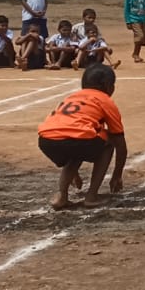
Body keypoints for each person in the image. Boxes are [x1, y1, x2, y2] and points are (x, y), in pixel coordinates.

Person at [37, 64, 127, 211]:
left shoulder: (72, 97)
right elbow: (120, 142)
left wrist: (73, 172)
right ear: (109, 87)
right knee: (108, 142)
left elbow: (68, 131)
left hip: (46, 140)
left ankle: (61, 195)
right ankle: (91, 196)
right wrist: (117, 175)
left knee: (77, 147)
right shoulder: (105, 100)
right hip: (76, 140)